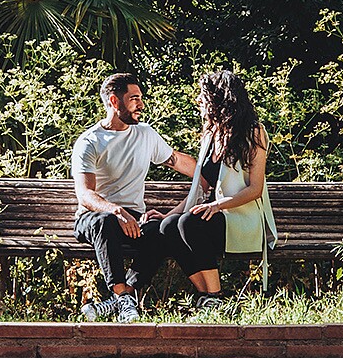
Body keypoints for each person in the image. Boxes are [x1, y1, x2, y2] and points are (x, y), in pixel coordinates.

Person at [71, 72, 198, 321]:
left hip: (133, 219)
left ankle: (123, 298)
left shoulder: (145, 134)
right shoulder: (89, 142)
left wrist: (216, 173)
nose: (141, 104)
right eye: (134, 98)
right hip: (94, 219)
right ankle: (121, 294)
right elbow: (85, 194)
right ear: (114, 101)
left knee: (162, 231)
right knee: (105, 221)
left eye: (140, 98)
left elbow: (178, 161)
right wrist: (115, 210)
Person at [156, 70, 277, 314]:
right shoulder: (211, 135)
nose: (199, 102)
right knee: (168, 226)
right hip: (215, 215)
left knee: (191, 222)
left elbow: (255, 189)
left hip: (242, 217)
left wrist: (217, 206)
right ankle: (207, 296)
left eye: (203, 97)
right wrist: (169, 214)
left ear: (218, 99)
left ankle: (216, 296)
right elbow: (201, 186)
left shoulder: (254, 132)